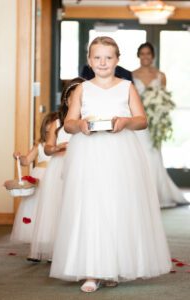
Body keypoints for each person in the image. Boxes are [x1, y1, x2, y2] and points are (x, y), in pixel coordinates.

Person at [50, 37, 171, 292]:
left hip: (120, 154)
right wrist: (81, 125)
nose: (102, 62)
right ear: (89, 61)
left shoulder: (126, 86)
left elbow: (142, 120)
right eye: (97, 57)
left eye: (108, 57)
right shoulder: (82, 89)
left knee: (117, 205)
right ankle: (92, 270)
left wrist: (125, 122)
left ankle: (113, 266)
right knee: (90, 206)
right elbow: (70, 122)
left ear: (117, 60)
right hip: (88, 153)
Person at [28, 77, 85, 262]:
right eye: (73, 98)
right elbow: (47, 147)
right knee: (57, 207)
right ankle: (55, 249)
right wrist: (58, 148)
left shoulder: (87, 121)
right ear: (66, 100)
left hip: (80, 166)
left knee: (77, 207)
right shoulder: (57, 123)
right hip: (59, 166)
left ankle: (77, 247)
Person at [132, 42, 187, 208]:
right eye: (142, 53)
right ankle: (139, 192)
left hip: (155, 124)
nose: (145, 57)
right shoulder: (131, 75)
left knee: (153, 155)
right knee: (139, 154)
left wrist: (159, 116)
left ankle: (156, 193)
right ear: (138, 55)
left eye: (148, 53)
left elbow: (164, 99)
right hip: (138, 123)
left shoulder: (160, 76)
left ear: (153, 56)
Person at [10, 112, 57, 243]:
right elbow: (26, 161)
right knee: (35, 208)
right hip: (39, 177)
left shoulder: (60, 145)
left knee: (51, 209)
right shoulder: (39, 145)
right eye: (48, 128)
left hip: (53, 177)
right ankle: (36, 242)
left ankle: (49, 241)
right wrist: (18, 158)